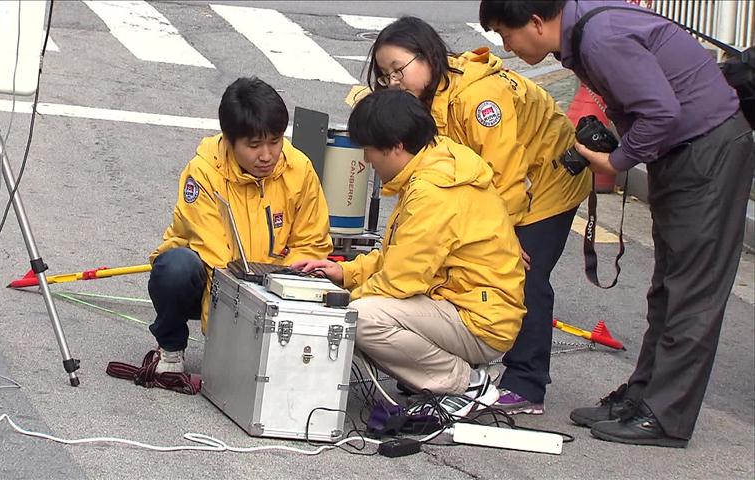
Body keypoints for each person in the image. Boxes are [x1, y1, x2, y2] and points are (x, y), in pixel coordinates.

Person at [480, 0, 754, 447]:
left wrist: (617, 159)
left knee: (692, 291)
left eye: (505, 35)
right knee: (668, 286)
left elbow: (660, 111)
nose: (506, 48)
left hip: (706, 152)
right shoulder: (585, 33)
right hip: (684, 153)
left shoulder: (600, 37)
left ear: (534, 22)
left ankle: (665, 418)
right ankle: (643, 397)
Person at [363, 16, 592, 415]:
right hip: (502, 186)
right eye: (385, 76)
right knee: (455, 261)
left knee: (524, 273)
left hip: (546, 181)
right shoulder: (429, 98)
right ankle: (448, 363)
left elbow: (506, 174)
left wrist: (502, 239)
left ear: (429, 55)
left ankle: (526, 383)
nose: (393, 81)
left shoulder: (479, 97)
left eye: (398, 70)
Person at [294, 89, 526, 417]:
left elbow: (400, 281)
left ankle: (466, 385)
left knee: (360, 317)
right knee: (362, 309)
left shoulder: (432, 191)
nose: (367, 161)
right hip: (470, 305)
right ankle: (450, 381)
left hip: (478, 318)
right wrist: (345, 273)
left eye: (370, 151)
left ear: (397, 146)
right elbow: (401, 255)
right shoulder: (438, 163)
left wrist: (335, 303)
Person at [147, 77, 333, 374]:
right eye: (254, 145)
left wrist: (281, 288)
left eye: (275, 141)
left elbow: (312, 243)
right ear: (229, 140)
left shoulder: (299, 169)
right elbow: (215, 261)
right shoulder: (204, 172)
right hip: (208, 282)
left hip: (272, 283)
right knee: (176, 267)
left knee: (318, 272)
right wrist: (227, 340)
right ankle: (170, 347)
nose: (267, 155)